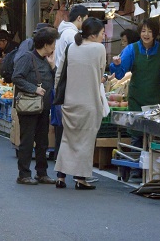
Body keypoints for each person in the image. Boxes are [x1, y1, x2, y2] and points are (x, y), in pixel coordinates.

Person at [110, 18, 160, 179]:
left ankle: (152, 170)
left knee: (153, 135)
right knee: (136, 135)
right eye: (143, 31)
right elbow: (120, 72)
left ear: (155, 33)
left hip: (156, 99)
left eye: (150, 31)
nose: (146, 34)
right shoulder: (132, 49)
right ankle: (136, 170)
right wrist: (117, 64)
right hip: (137, 97)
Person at [54, 18, 109, 190]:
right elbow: (101, 74)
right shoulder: (99, 48)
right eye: (101, 33)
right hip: (89, 102)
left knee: (67, 140)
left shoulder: (71, 47)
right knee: (85, 141)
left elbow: (59, 74)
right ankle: (80, 178)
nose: (103, 36)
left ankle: (60, 177)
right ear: (93, 35)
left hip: (70, 102)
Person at [12, 27, 59, 185]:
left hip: (44, 106)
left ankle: (42, 172)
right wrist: (34, 89)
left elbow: (54, 80)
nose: (54, 47)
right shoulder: (27, 57)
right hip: (29, 106)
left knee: (42, 141)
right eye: (53, 44)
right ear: (46, 45)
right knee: (27, 140)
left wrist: (53, 66)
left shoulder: (47, 60)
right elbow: (16, 77)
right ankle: (23, 174)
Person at [52, 5, 89, 171]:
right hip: (69, 82)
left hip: (60, 80)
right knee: (68, 127)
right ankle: (65, 165)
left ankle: (60, 162)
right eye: (86, 19)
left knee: (62, 125)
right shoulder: (73, 35)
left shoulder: (62, 32)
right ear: (80, 18)